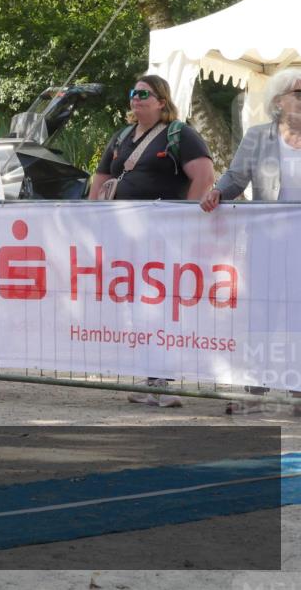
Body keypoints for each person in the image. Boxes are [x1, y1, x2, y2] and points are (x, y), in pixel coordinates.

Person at [89, 75, 215, 408]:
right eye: (133, 93)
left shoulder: (180, 135)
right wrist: (92, 220)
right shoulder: (121, 137)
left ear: (162, 101)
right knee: (138, 308)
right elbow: (100, 179)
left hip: (162, 239)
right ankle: (152, 380)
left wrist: (184, 221)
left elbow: (203, 175)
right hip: (125, 238)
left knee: (161, 307)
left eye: (144, 93)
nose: (136, 98)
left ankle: (164, 382)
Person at [200, 67, 301, 414]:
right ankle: (255, 389)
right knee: (262, 314)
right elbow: (236, 177)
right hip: (268, 243)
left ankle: (296, 389)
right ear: (279, 101)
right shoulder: (258, 137)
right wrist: (216, 193)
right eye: (299, 94)